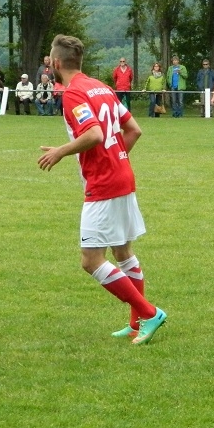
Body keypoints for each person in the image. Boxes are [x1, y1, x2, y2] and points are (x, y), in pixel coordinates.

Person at [37, 34, 166, 345]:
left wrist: (61, 151)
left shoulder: (73, 94)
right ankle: (136, 325)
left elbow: (94, 134)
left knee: (91, 260)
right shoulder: (102, 87)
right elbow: (134, 130)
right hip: (123, 176)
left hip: (104, 184)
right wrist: (116, 158)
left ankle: (149, 313)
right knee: (123, 252)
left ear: (56, 64)